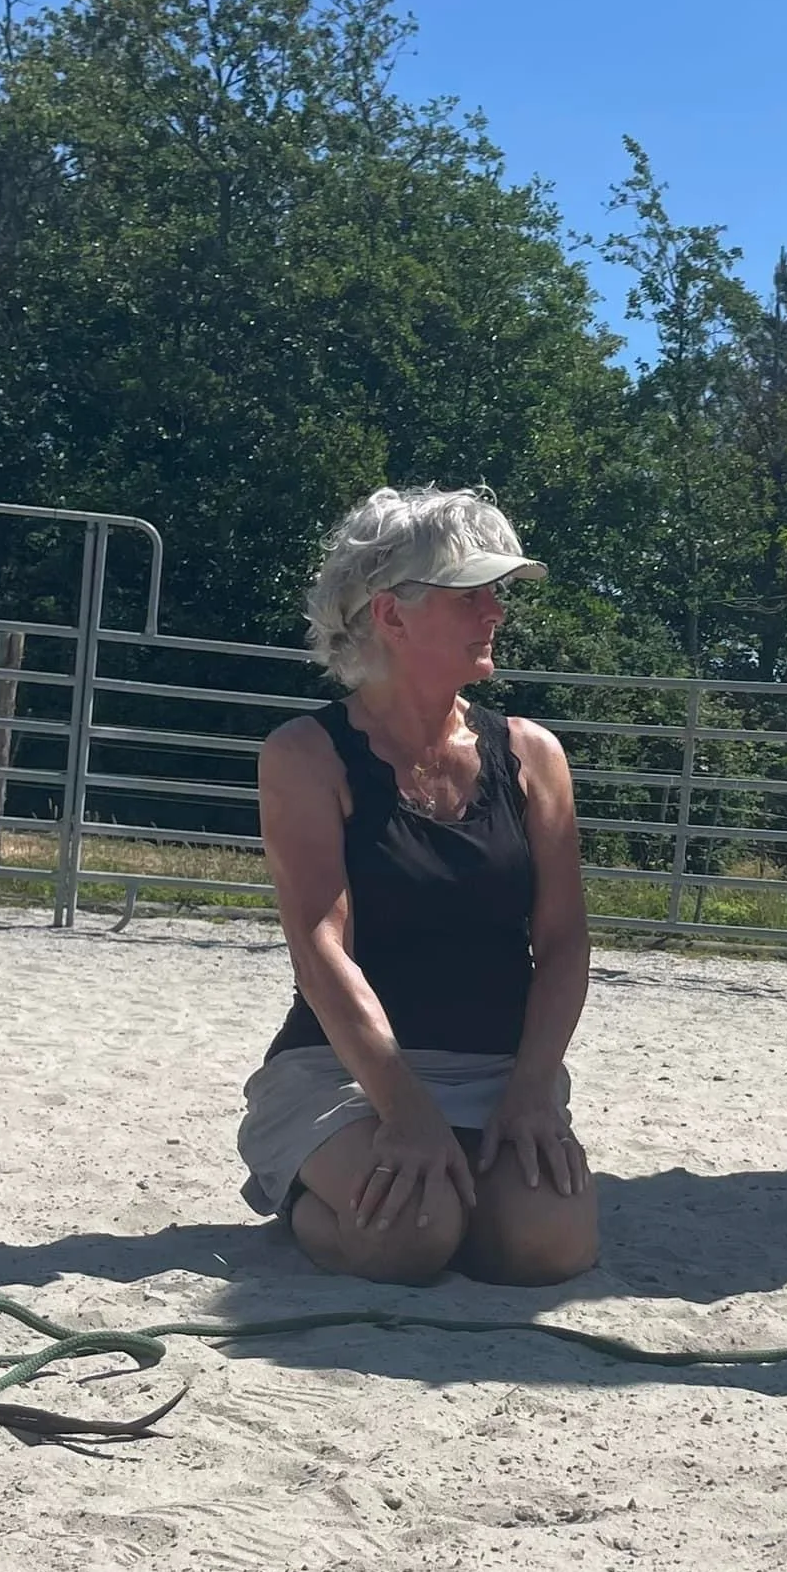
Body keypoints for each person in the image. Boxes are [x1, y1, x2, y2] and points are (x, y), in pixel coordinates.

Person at [237, 484, 598, 1285]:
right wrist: (402, 1108)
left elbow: (566, 939)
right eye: (471, 595)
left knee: (549, 1247)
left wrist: (535, 1089)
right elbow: (319, 947)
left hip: (499, 1072)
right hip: (346, 1073)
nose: (495, 613)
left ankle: (460, 1192)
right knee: (409, 1237)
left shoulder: (534, 755)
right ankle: (299, 1195)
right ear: (392, 617)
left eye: (496, 594)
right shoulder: (305, 755)